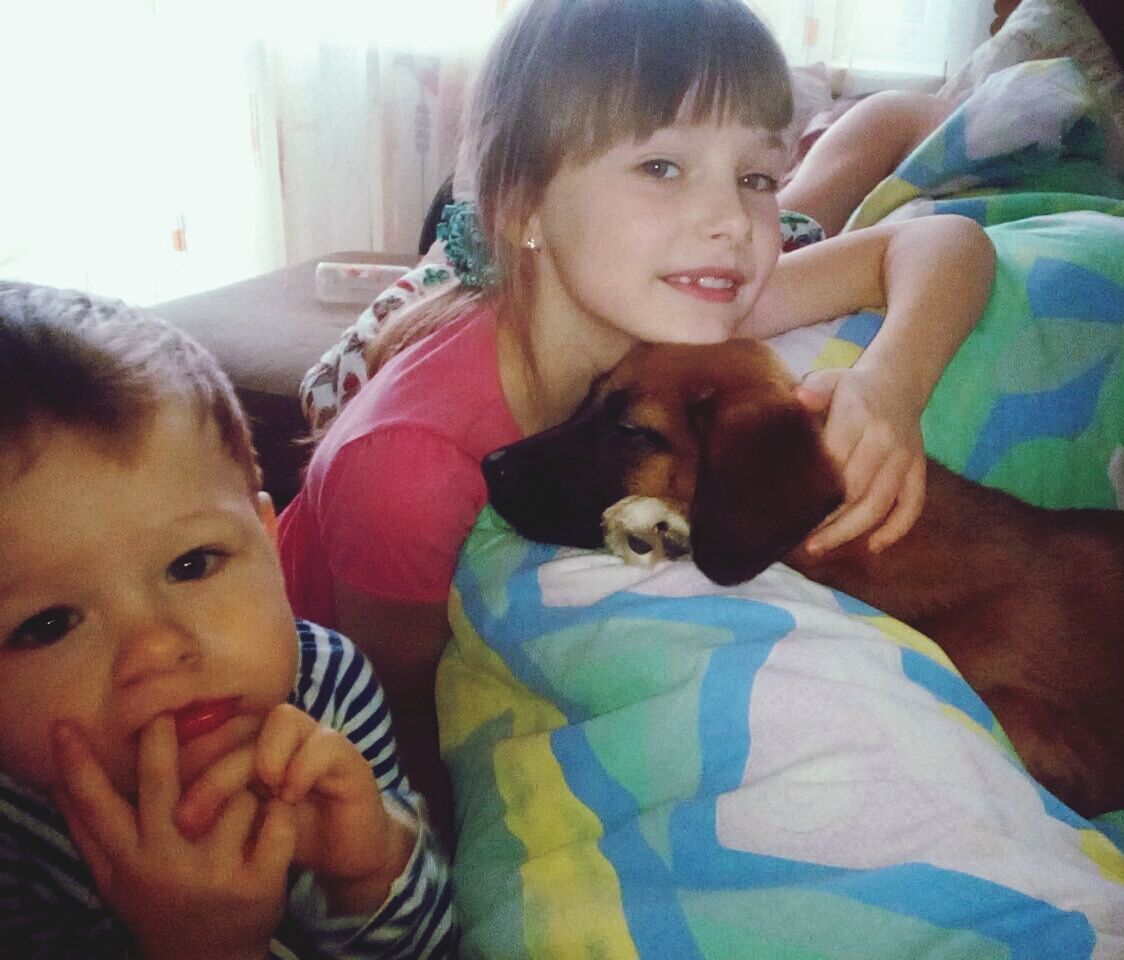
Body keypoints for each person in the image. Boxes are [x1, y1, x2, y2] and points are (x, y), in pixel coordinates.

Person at [276, 0, 994, 827]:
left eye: (755, 176)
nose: (731, 221)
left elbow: (943, 243)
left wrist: (891, 384)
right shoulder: (407, 471)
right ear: (524, 207)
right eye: (661, 166)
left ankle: (893, 121)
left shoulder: (682, 312)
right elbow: (405, 723)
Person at [0, 282, 455, 960]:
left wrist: (372, 869)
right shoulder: (19, 842)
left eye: (192, 564)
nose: (156, 648)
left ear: (268, 543)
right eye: (47, 624)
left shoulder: (327, 688)